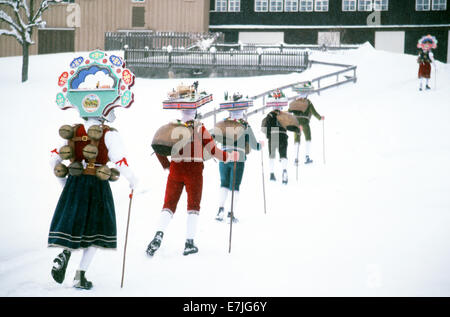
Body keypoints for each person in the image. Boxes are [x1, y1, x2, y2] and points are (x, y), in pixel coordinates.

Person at [48, 110, 138, 290]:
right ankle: (80, 275)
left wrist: (64, 183)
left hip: (74, 183)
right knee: (97, 232)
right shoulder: (109, 134)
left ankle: (65, 253)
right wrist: (132, 179)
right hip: (97, 186)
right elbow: (119, 160)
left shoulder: (72, 131)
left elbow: (53, 159)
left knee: (75, 225)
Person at [147, 108, 240, 256]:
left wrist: (167, 165)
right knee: (193, 206)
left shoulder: (172, 127)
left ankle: (158, 234)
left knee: (169, 204)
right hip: (194, 171)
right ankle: (189, 243)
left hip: (176, 169)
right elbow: (214, 151)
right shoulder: (199, 128)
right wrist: (230, 156)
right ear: (195, 113)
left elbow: (158, 146)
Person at [214, 108, 263, 223]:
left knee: (224, 183)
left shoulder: (224, 123)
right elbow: (254, 145)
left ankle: (220, 210)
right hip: (238, 157)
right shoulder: (245, 125)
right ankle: (230, 214)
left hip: (224, 156)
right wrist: (260, 146)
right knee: (234, 185)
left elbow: (214, 137)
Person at [288, 91, 323, 164]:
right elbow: (314, 112)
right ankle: (307, 156)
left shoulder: (295, 101)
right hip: (304, 123)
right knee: (308, 138)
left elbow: (289, 110)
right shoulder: (308, 102)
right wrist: (320, 118)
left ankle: (296, 159)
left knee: (297, 140)